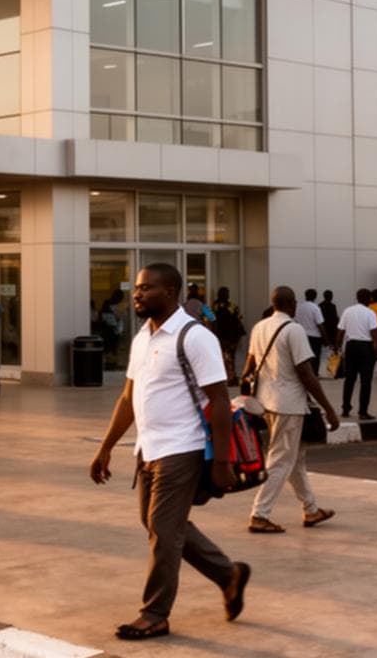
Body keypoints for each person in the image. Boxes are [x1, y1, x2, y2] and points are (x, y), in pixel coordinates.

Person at [88, 262, 251, 642]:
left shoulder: (195, 337)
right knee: (158, 524)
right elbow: (128, 398)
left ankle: (155, 614)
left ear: (171, 292)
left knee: (163, 530)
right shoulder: (142, 338)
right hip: (149, 448)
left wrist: (223, 461)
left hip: (184, 447)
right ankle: (229, 574)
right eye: (137, 288)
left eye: (147, 288)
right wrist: (105, 447)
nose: (137, 294)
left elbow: (219, 400)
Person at [240, 286, 339, 533]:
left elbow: (249, 367)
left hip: (265, 402)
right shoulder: (294, 330)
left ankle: (311, 509)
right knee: (281, 460)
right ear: (292, 303)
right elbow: (305, 372)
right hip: (288, 404)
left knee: (295, 460)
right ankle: (259, 514)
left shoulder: (259, 327)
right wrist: (328, 408)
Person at [336, 289, 377, 420]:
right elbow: (374, 334)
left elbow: (340, 331)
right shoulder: (370, 313)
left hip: (351, 347)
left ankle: (345, 409)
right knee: (366, 381)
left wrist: (337, 347)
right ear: (369, 298)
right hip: (366, 348)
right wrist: (376, 352)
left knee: (349, 380)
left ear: (357, 297)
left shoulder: (347, 311)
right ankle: (363, 411)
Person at [212, 288, 245, 383]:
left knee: (226, 359)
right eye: (225, 293)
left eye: (227, 293)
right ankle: (229, 378)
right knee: (227, 359)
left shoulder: (228, 306)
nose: (227, 295)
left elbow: (238, 321)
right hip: (223, 338)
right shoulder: (215, 307)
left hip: (226, 338)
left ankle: (229, 378)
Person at [294, 289, 325, 375]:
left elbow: (296, 321)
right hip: (315, 337)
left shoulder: (299, 307)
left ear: (305, 295)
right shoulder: (315, 308)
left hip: (302, 335)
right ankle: (314, 374)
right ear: (315, 296)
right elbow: (320, 324)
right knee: (315, 356)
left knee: (304, 356)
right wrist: (326, 339)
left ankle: (305, 373)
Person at [318, 290, 341, 376]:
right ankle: (331, 370)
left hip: (322, 330)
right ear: (331, 296)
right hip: (332, 331)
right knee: (334, 351)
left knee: (321, 351)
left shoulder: (319, 306)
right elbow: (335, 319)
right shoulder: (332, 306)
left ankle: (320, 370)